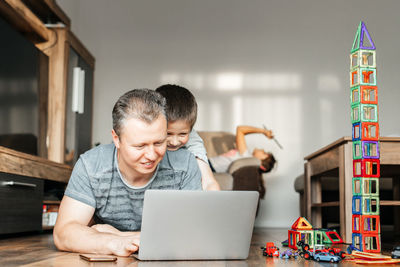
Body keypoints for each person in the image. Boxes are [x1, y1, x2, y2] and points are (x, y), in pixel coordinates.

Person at [53, 89, 202, 256]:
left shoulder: (185, 164)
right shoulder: (91, 165)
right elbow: (64, 232)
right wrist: (115, 243)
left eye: (159, 142)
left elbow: (194, 234)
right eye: (140, 146)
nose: (152, 155)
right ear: (116, 139)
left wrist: (120, 235)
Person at [156, 84, 220, 191]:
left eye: (182, 134)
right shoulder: (144, 131)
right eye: (168, 134)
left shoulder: (193, 139)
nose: (174, 142)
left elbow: (208, 180)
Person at [209, 125, 276, 174]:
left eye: (264, 153)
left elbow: (240, 129)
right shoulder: (246, 158)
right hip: (210, 167)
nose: (262, 150)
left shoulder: (245, 156)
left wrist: (264, 131)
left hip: (209, 166)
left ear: (261, 165)